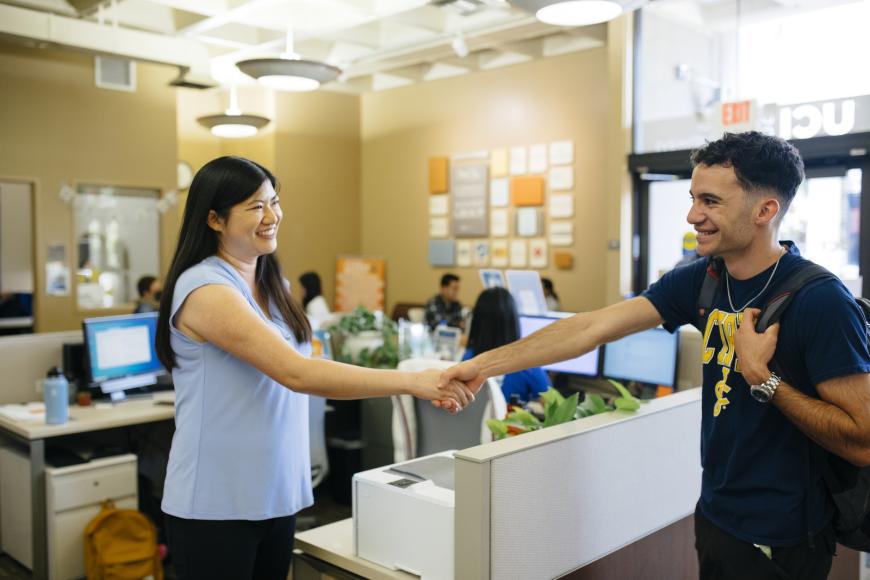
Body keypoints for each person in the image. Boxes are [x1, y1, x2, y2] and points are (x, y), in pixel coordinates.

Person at [441, 132, 870, 580]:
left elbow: (862, 440)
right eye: (692, 198)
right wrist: (479, 366)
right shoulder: (702, 278)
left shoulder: (819, 300)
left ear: (765, 211)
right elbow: (590, 328)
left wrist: (762, 377)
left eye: (710, 201)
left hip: (783, 536)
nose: (692, 216)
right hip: (716, 515)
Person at [154, 156, 474, 580]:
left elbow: (308, 363)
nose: (272, 217)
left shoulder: (273, 285)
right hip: (217, 500)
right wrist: (412, 382)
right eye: (255, 206)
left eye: (274, 202)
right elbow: (296, 373)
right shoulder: (206, 289)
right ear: (214, 219)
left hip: (274, 492)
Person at [465, 287, 549, 403]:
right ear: (513, 321)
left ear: (477, 321)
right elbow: (552, 405)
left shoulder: (467, 359)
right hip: (510, 420)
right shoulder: (526, 364)